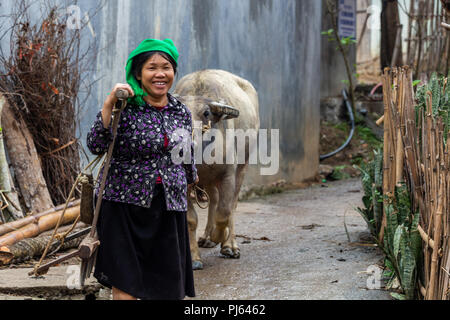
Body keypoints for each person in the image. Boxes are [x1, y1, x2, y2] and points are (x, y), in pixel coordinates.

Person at [86, 38, 198, 300]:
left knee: (169, 282)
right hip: (124, 206)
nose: (160, 74)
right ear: (138, 73)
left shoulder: (180, 110)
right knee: (127, 280)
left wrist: (191, 182)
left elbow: (185, 154)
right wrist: (108, 104)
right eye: (152, 67)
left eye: (167, 67)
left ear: (174, 72)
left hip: (169, 206)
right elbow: (95, 144)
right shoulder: (124, 107)